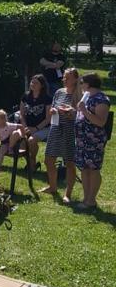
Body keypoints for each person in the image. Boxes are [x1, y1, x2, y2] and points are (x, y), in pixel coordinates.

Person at [41, 67, 81, 203]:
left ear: (75, 79)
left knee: (69, 162)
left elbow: (82, 113)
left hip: (70, 130)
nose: (64, 79)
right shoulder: (59, 92)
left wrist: (72, 113)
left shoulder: (79, 94)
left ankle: (67, 194)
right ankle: (52, 187)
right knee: (49, 159)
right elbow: (53, 107)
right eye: (64, 77)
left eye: (67, 77)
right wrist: (53, 110)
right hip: (56, 127)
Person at [74, 73, 111, 211]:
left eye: (81, 83)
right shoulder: (87, 97)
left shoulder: (101, 99)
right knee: (84, 168)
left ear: (88, 84)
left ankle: (91, 200)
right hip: (82, 139)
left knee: (93, 169)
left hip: (94, 140)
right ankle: (86, 198)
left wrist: (84, 110)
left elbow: (100, 122)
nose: (80, 86)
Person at [18, 73, 51, 170]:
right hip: (27, 126)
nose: (32, 84)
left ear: (42, 85)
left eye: (36, 83)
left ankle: (32, 161)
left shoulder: (47, 98)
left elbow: (48, 118)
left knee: (31, 140)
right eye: (32, 82)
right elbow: (21, 114)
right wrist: (25, 127)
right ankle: (32, 163)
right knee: (21, 141)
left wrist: (36, 129)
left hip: (43, 127)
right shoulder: (25, 96)